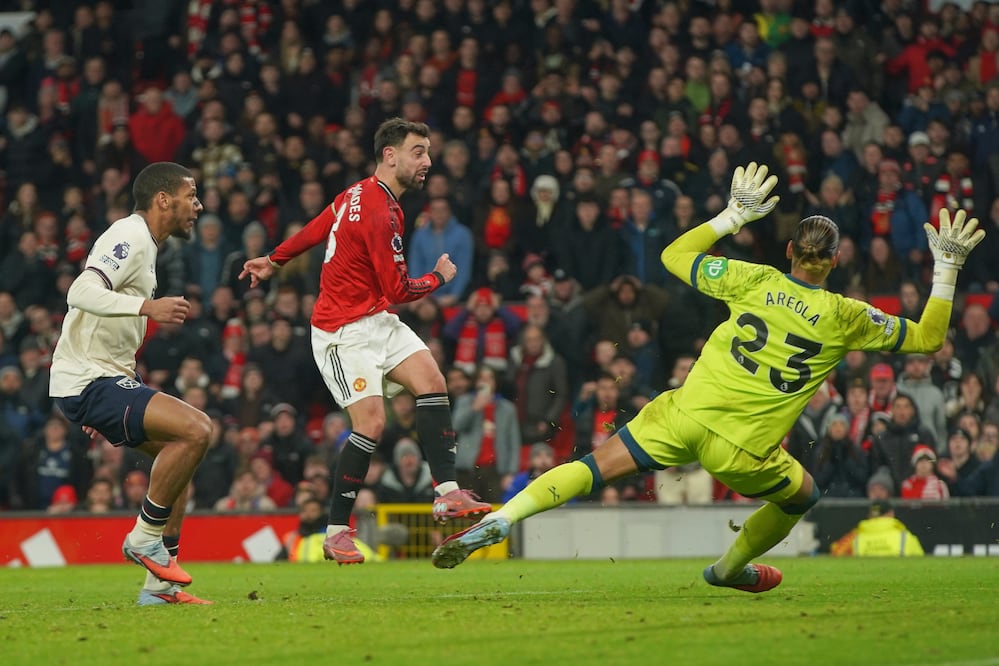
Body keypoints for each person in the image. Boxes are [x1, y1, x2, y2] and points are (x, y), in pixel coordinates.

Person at [431, 162, 984, 593]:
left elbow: (674, 255)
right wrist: (947, 268)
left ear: (789, 251)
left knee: (590, 467)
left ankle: (506, 516)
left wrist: (732, 218)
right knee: (803, 496)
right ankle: (728, 570)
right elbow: (930, 336)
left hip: (685, 414)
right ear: (835, 262)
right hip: (744, 451)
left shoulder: (753, 279)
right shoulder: (847, 316)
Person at [239, 118, 490, 565]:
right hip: (341, 332)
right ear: (390, 155)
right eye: (419, 151)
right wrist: (439, 277)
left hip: (375, 317)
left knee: (432, 380)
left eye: (429, 151)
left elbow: (320, 224)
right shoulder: (380, 210)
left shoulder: (358, 193)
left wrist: (274, 260)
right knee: (371, 423)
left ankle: (448, 493)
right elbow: (399, 290)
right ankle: (335, 532)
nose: (428, 161)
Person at [49, 161, 213, 606]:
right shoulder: (130, 235)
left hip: (103, 378)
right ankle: (143, 539)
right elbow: (79, 292)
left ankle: (160, 590)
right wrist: (148, 307)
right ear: (164, 199)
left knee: (177, 466)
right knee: (197, 429)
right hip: (87, 378)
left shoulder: (148, 244)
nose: (197, 205)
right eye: (191, 195)